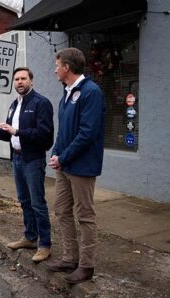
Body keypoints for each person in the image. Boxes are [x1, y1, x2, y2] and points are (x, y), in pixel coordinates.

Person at [0, 67, 54, 263]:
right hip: (17, 159)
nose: (19, 82)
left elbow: (46, 136)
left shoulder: (41, 103)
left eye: (23, 79)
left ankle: (45, 245)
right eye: (16, 79)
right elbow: (9, 133)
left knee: (38, 204)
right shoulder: (14, 104)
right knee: (24, 201)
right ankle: (30, 237)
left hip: (33, 159)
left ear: (31, 81)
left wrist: (17, 132)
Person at [45, 48, 106, 284]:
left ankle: (87, 266)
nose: (55, 69)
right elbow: (64, 131)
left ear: (67, 68)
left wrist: (63, 157)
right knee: (61, 209)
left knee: (85, 216)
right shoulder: (68, 93)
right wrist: (56, 153)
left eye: (57, 65)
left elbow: (87, 133)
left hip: (82, 167)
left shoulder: (91, 92)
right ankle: (70, 258)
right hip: (65, 166)